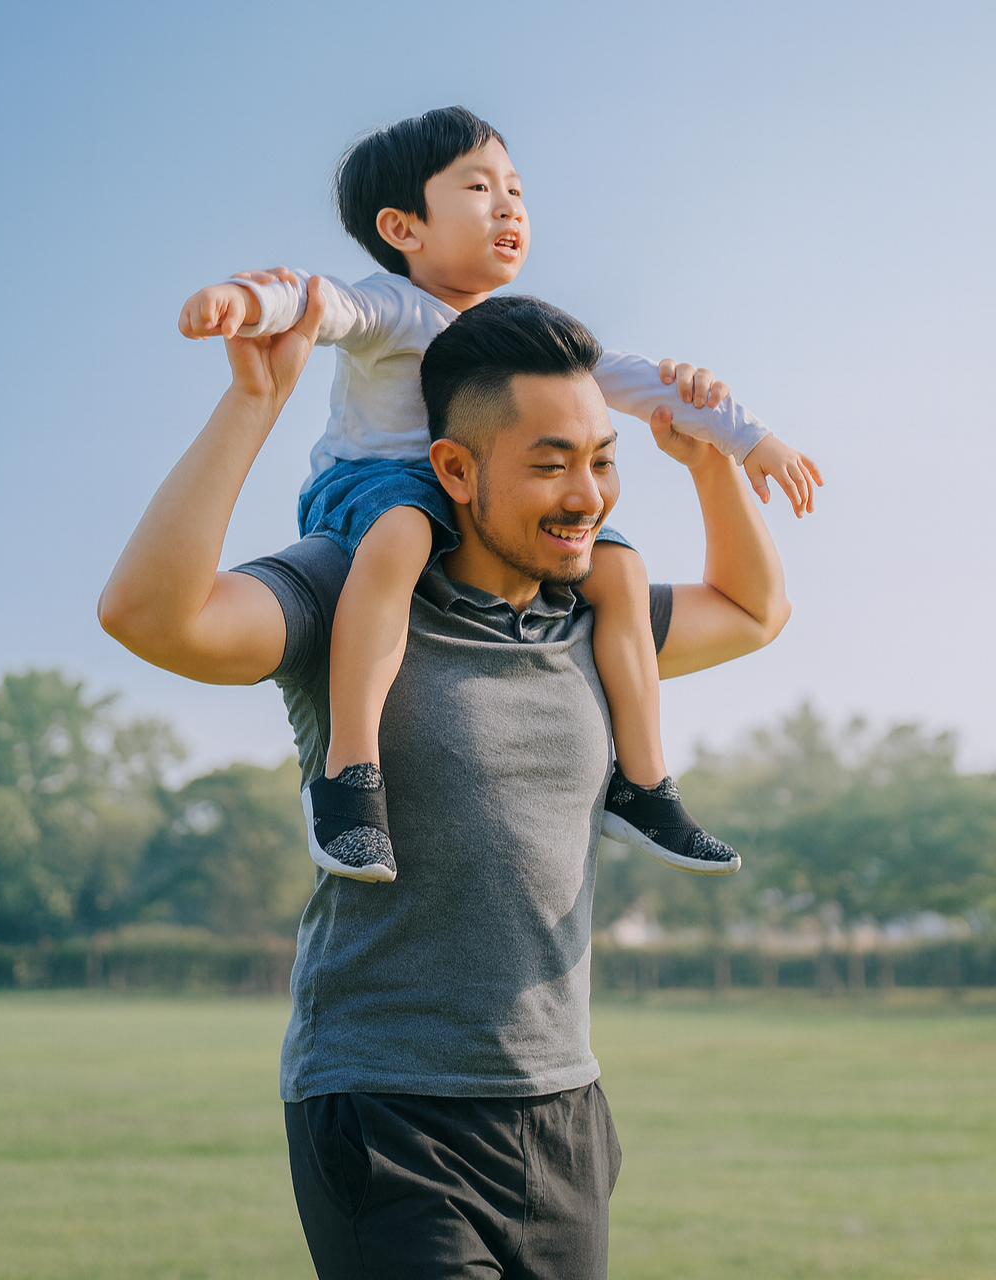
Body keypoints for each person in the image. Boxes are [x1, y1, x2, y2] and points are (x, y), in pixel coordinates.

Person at [99, 289, 792, 1279]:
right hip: (389, 1109)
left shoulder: (596, 618)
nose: (587, 496)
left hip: (562, 1107)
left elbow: (756, 610)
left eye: (602, 461)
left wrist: (709, 462)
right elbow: (148, 615)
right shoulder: (349, 590)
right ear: (456, 469)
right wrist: (253, 403)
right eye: (550, 463)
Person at [178, 105, 820, 884]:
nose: (510, 206)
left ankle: (644, 784)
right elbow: (318, 304)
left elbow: (632, 378)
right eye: (480, 188)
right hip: (369, 491)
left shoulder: (523, 339)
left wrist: (744, 440)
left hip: (477, 501)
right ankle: (350, 777)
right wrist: (246, 304)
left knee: (619, 566)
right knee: (404, 529)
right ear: (403, 228)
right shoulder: (391, 306)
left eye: (516, 189)